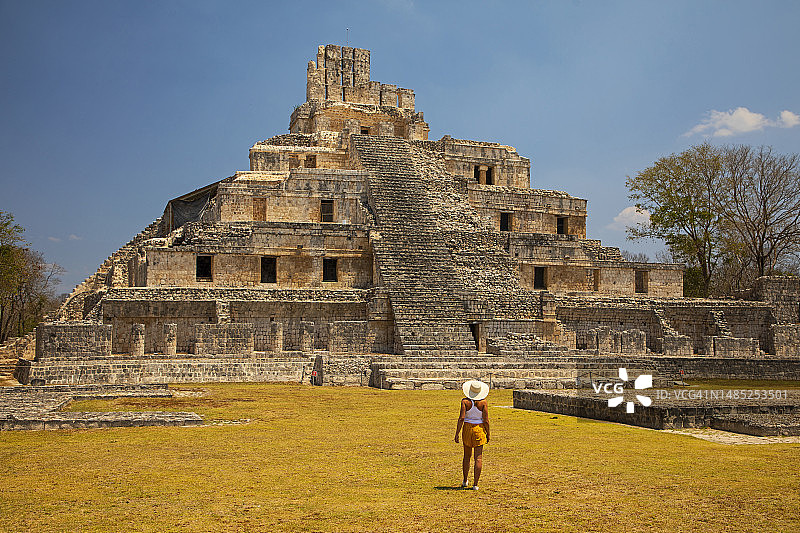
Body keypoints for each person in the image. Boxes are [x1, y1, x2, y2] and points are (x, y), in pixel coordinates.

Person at [454, 379, 490, 490]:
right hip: (479, 428)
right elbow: (486, 420)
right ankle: (475, 484)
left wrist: (457, 433)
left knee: (466, 456)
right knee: (478, 458)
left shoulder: (465, 402)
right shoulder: (483, 402)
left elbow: (462, 418)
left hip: (467, 428)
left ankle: (465, 480)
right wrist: (488, 433)